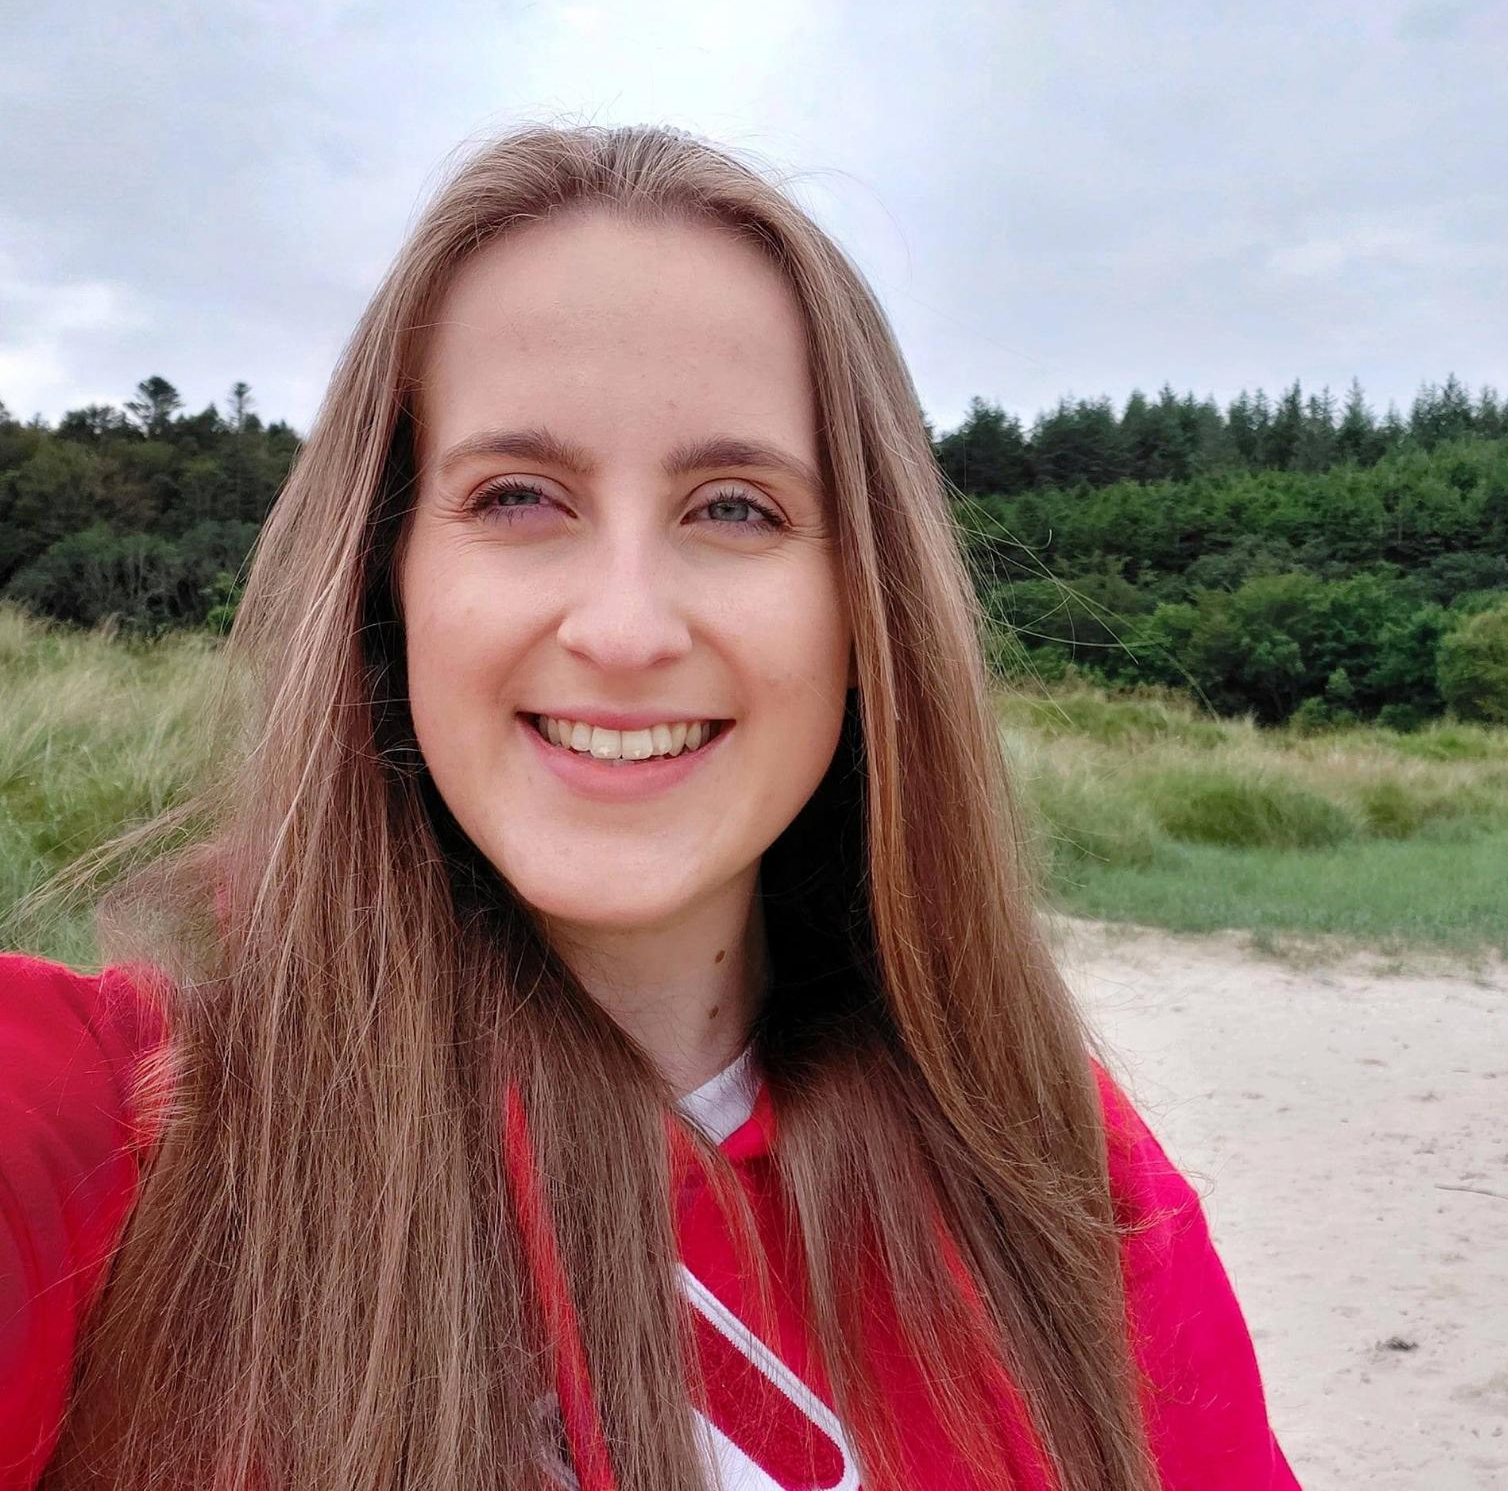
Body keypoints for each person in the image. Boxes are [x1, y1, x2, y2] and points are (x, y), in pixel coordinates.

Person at [0, 123, 1302, 1491]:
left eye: (735, 508)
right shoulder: (102, 1132)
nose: (624, 630)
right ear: (389, 574)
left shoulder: (1050, 1170)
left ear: (864, 607)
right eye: (518, 496)